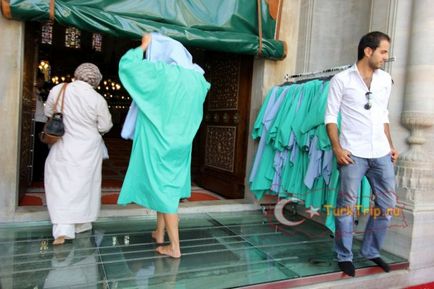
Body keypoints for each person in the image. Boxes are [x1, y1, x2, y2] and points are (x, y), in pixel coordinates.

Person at [117, 34, 210, 258]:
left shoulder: (163, 73)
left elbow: (128, 66)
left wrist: (143, 45)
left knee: (165, 190)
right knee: (166, 186)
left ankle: (174, 247)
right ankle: (159, 233)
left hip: (158, 140)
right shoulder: (198, 80)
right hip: (182, 141)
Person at [325, 31, 398, 277]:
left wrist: (391, 144)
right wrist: (337, 148)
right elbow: (330, 118)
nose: (387, 57)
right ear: (368, 51)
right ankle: (344, 255)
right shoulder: (341, 80)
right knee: (346, 207)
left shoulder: (386, 80)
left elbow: (383, 116)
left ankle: (371, 250)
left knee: (387, 205)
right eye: (383, 51)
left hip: (381, 153)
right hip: (352, 153)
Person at [44, 63, 113, 245]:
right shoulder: (98, 99)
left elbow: (47, 111)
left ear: (77, 74)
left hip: (64, 145)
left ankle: (62, 229)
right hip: (89, 149)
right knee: (85, 186)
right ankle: (81, 224)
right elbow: (105, 125)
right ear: (96, 80)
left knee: (59, 184)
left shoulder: (60, 89)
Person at [33, 72, 50, 181]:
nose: (42, 82)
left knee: (43, 149)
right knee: (37, 149)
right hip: (35, 122)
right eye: (41, 80)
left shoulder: (41, 92)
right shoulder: (32, 91)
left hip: (43, 121)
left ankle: (39, 173)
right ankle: (35, 173)